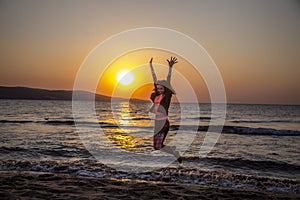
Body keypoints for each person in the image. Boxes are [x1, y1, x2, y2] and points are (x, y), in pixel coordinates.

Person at [149, 57, 182, 164]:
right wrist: (151, 67)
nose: (159, 90)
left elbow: (168, 80)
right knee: (156, 147)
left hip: (163, 123)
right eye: (158, 88)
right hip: (157, 123)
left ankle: (174, 152)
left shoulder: (167, 97)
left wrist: (170, 67)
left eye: (161, 89)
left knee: (158, 146)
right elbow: (154, 79)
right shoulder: (156, 97)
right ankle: (173, 151)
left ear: (165, 89)